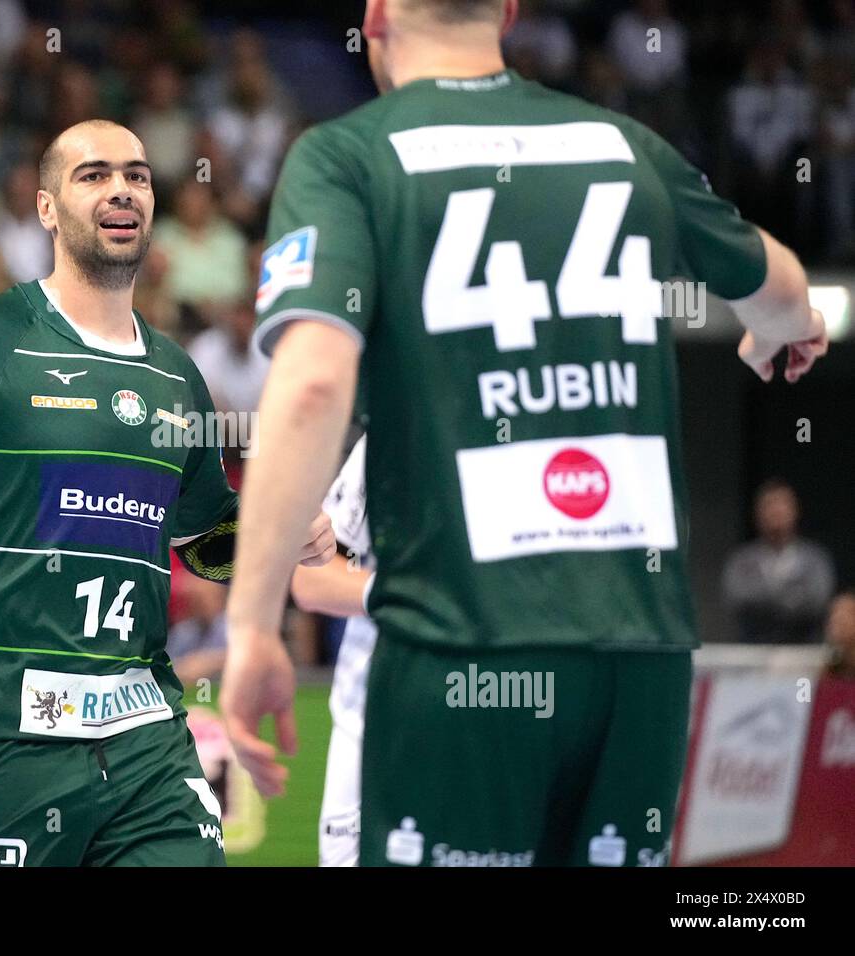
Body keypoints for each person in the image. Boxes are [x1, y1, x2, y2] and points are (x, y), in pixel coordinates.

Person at [221, 0, 828, 867]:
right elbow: (780, 287)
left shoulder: (346, 155)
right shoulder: (622, 144)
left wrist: (249, 627)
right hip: (640, 660)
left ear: (377, 15)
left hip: (464, 651)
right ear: (508, 12)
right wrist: (784, 323)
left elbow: (314, 379)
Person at [0, 119, 333, 867]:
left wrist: (280, 537)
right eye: (94, 175)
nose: (122, 189)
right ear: (46, 207)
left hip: (143, 743)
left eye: (138, 175)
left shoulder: (178, 377)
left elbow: (204, 544)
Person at [288, 435, 376, 866]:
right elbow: (311, 577)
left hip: (505, 712)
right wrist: (403, 596)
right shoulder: (395, 427)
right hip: (372, 717)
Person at [722, 479, 835, 643]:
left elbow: (817, 602)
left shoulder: (815, 558)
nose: (776, 512)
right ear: (757, 513)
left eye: (782, 505)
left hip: (803, 652)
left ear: (795, 511)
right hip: (753, 652)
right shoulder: (741, 560)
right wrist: (792, 597)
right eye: (769, 506)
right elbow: (738, 599)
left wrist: (766, 600)